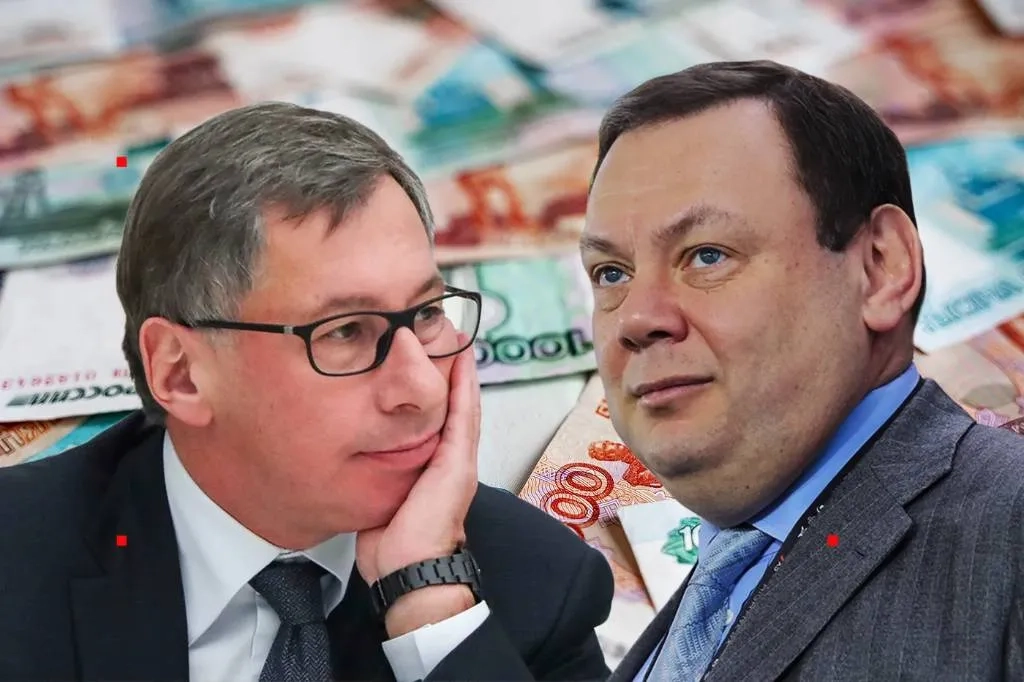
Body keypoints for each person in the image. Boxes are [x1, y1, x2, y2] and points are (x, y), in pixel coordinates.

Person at [0, 102, 614, 682]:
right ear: (181, 372)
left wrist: (430, 606)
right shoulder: (17, 563)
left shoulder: (536, 588)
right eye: (345, 331)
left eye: (427, 314)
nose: (422, 387)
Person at [581, 60, 1024, 682]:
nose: (636, 318)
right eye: (611, 273)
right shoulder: (721, 589)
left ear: (880, 267)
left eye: (707, 255)